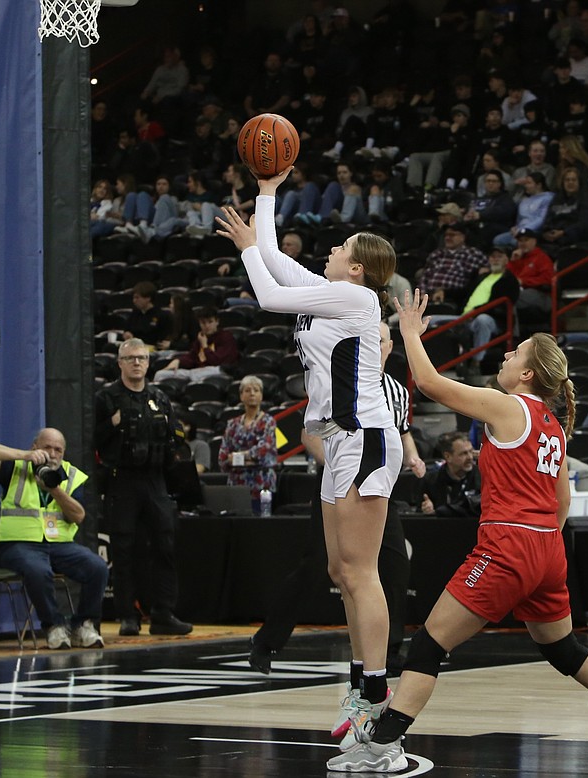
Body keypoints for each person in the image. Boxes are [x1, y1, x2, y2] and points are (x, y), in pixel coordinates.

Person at [328, 300, 588, 772]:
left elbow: (428, 384)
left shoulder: (508, 407)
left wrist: (409, 332)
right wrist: (537, 547)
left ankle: (383, 744)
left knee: (429, 644)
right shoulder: (553, 427)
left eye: (515, 354)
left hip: (509, 545)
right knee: (562, 648)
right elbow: (562, 502)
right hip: (548, 546)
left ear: (528, 375)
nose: (505, 357)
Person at [214, 169, 404, 748]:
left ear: (357, 268)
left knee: (361, 572)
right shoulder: (334, 293)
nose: (330, 248)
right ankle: (360, 686)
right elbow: (274, 258)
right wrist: (267, 190)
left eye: (341, 248)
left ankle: (376, 697)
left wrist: (247, 250)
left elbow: (268, 291)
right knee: (339, 571)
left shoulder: (356, 296)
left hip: (366, 433)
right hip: (341, 437)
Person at [248, 322, 426, 677]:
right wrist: (338, 465)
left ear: (389, 348)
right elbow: (310, 433)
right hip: (337, 479)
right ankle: (266, 641)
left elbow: (402, 432)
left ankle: (387, 651)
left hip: (376, 483)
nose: (373, 346)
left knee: (393, 563)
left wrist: (414, 457)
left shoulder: (396, 391)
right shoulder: (338, 381)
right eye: (367, 341)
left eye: (379, 342)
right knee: (318, 565)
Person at [0, 428, 109, 650]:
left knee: (97, 567)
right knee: (38, 570)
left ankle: (83, 625)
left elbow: (78, 516)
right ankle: (54, 626)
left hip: (60, 546)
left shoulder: (71, 475)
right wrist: (24, 456)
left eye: (58, 450)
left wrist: (55, 489)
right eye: (47, 447)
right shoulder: (17, 467)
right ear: (35, 446)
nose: (53, 454)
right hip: (20, 544)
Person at [94, 338, 194, 637]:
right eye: (130, 358)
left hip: (155, 480)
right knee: (124, 550)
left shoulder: (160, 398)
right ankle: (128, 616)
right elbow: (93, 439)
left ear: (149, 363)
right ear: (120, 363)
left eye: (141, 358)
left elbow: (176, 435)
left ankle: (163, 613)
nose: (136, 362)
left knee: (164, 546)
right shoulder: (106, 397)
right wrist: (112, 425)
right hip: (122, 479)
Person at [456, 246, 520, 383]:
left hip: (494, 320)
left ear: (506, 260)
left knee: (482, 320)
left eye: (499, 256)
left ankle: (476, 363)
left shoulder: (509, 280)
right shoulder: (481, 277)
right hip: (465, 317)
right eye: (492, 256)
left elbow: (502, 304)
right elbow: (463, 293)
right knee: (432, 320)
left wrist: (478, 310)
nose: (495, 259)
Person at [217, 375, 279, 514]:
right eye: (247, 390)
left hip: (261, 486)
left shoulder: (269, 422)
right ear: (241, 396)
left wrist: (238, 457)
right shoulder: (232, 424)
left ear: (261, 396)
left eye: (256, 390)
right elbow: (223, 456)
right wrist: (249, 459)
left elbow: (264, 453)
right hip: (236, 486)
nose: (252, 393)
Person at [153, 307, 238, 386]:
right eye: (203, 323)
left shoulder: (226, 337)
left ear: (217, 322)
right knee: (160, 374)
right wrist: (178, 361)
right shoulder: (200, 338)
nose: (207, 326)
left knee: (195, 376)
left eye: (210, 322)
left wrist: (205, 346)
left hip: (218, 371)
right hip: (195, 372)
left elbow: (217, 361)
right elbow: (192, 357)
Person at [416, 223, 488, 310]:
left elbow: (492, 267)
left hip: (452, 299)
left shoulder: (473, 254)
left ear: (463, 237)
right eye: (446, 235)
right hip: (429, 297)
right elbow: (425, 277)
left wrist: (487, 270)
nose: (447, 238)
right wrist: (423, 293)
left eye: (452, 235)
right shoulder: (436, 254)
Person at [419, 432, 481, 518]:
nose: (470, 457)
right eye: (464, 453)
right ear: (448, 456)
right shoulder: (430, 480)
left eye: (471, 451)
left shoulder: (482, 477)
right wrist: (428, 510)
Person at [122, 282, 172, 349]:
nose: (134, 301)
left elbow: (161, 339)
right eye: (133, 298)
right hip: (133, 347)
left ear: (148, 298)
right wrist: (127, 334)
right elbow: (127, 330)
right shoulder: (135, 314)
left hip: (150, 348)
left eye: (137, 298)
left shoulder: (161, 315)